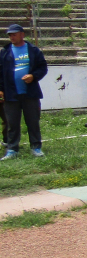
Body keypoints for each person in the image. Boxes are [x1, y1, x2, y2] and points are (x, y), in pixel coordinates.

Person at [0, 23, 47, 159]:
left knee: (33, 122)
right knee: (12, 123)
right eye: (9, 35)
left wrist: (33, 76)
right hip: (11, 94)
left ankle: (36, 147)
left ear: (22, 35)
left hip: (30, 93)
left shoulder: (33, 50)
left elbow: (42, 67)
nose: (11, 37)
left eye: (14, 34)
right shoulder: (5, 52)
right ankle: (12, 149)